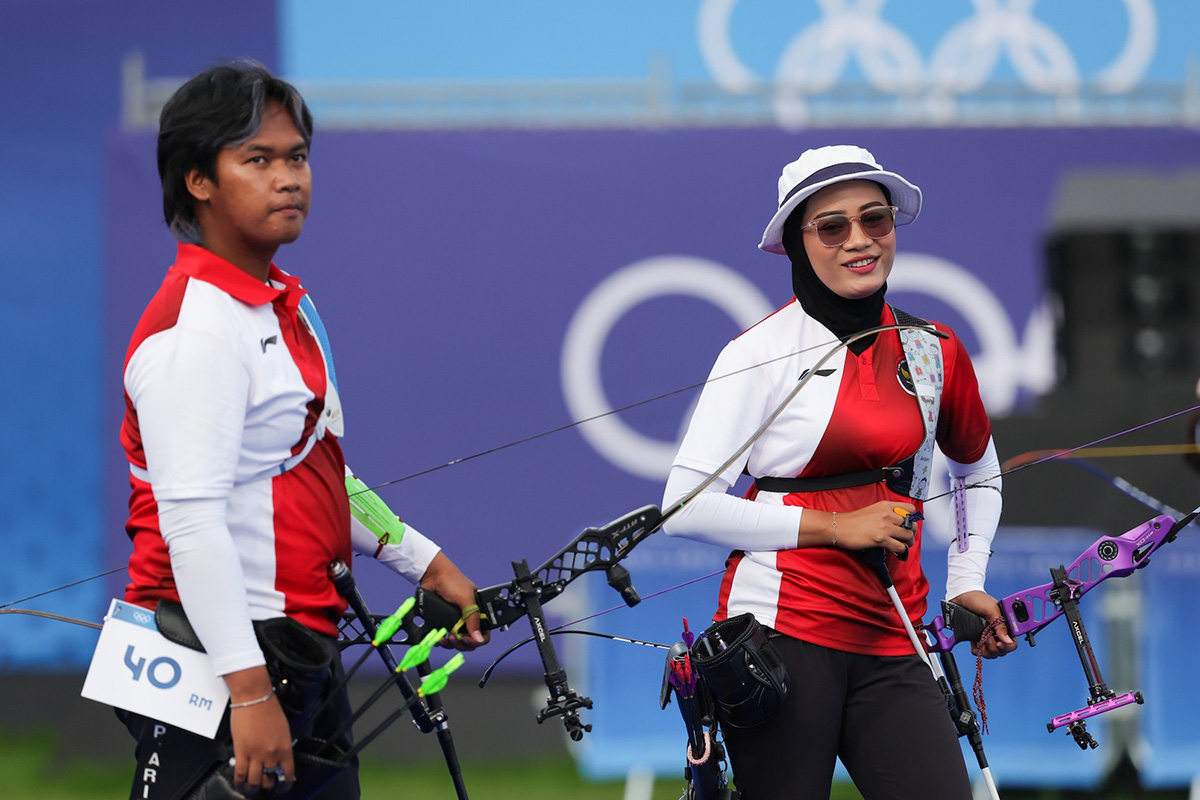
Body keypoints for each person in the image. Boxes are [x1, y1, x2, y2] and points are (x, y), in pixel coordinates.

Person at [117, 59, 486, 799]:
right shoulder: (196, 328)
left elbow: (311, 467)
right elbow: (191, 526)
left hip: (293, 648)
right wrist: (248, 690)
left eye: (297, 157)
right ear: (198, 180)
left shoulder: (279, 303)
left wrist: (421, 561)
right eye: (258, 160)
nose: (288, 179)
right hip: (223, 655)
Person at [661, 145, 1016, 799]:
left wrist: (967, 579)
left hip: (896, 631)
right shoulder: (757, 352)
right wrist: (836, 527)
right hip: (782, 635)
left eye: (874, 218)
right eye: (831, 226)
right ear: (797, 244)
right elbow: (684, 505)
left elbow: (978, 471)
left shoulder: (933, 348)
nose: (859, 239)